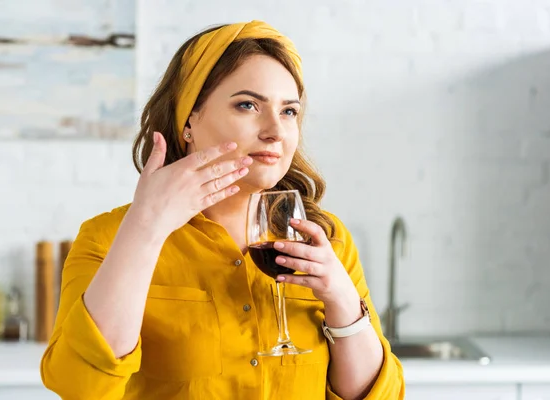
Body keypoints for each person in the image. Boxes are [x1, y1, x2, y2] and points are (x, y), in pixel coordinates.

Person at [40, 20, 405, 400]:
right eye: (248, 105)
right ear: (188, 120)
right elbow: (78, 385)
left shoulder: (325, 240)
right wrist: (146, 228)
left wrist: (343, 301)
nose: (275, 132)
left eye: (289, 112)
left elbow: (376, 395)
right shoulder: (107, 237)